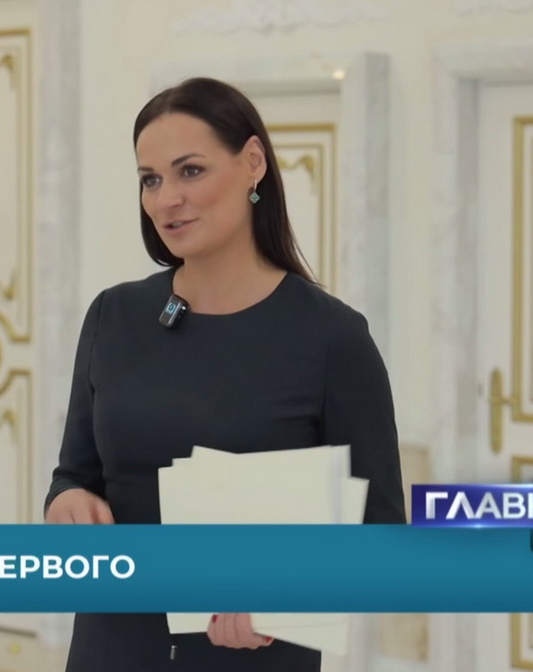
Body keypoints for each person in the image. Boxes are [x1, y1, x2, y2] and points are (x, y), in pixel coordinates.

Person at [43, 77, 406, 672]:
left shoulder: (332, 338)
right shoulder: (114, 315)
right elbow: (74, 474)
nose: (166, 199)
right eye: (150, 180)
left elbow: (382, 540)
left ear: (252, 163)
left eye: (190, 171)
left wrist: (285, 597)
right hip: (110, 647)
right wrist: (67, 502)